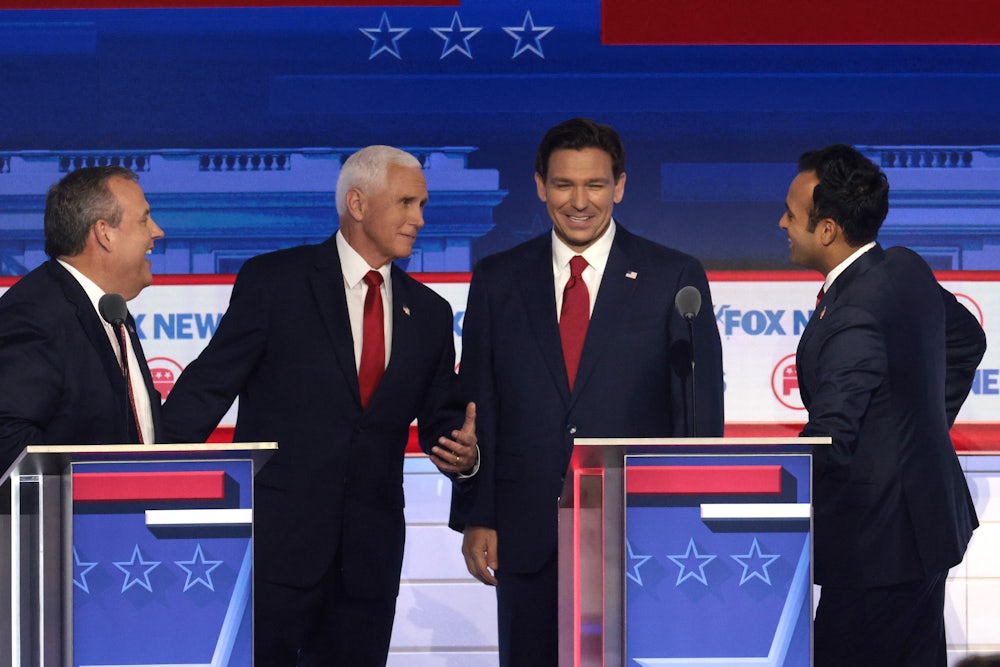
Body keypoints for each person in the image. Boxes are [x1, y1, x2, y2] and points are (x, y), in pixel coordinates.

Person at [160, 145, 477, 666]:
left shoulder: (430, 311)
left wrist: (467, 457)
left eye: (422, 204)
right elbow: (208, 387)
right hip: (277, 549)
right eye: (406, 203)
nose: (419, 218)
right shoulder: (275, 282)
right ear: (357, 203)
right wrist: (140, 474)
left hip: (369, 557)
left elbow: (442, 418)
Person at [451, 117, 725, 666]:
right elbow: (480, 404)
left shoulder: (673, 275)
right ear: (539, 186)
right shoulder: (498, 279)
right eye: (563, 184)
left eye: (595, 185)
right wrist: (477, 515)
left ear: (620, 186)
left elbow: (696, 412)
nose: (579, 201)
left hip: (637, 534)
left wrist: (683, 519)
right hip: (526, 534)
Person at [779, 144, 987, 666]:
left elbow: (831, 435)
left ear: (826, 229)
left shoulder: (853, 311)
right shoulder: (904, 268)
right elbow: (968, 340)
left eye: (791, 213)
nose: (780, 222)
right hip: (923, 529)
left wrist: (764, 495)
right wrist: (917, 432)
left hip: (874, 546)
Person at [0, 165, 164, 472]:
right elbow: (8, 438)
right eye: (144, 219)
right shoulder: (35, 314)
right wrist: (92, 493)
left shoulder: (112, 312)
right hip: (64, 519)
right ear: (104, 233)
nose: (157, 231)